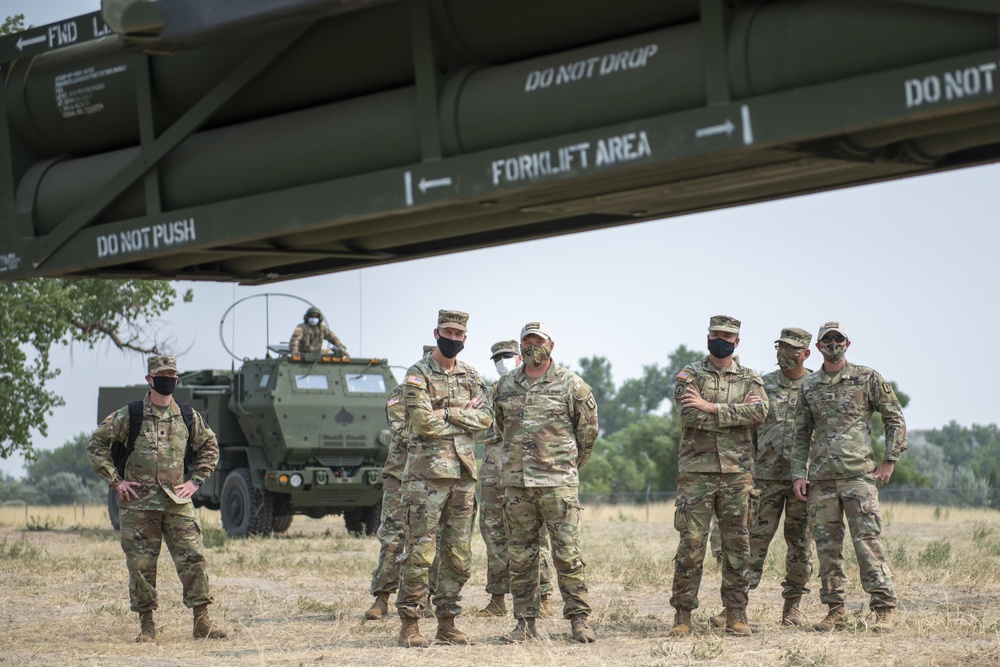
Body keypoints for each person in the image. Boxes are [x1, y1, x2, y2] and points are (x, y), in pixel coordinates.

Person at [86, 355, 227, 643]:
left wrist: (195, 480)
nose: (167, 379)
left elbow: (210, 446)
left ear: (176, 380)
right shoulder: (130, 415)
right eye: (161, 375)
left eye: (172, 375)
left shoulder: (187, 416)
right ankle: (146, 626)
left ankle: (202, 622)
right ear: (149, 379)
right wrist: (116, 481)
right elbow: (96, 444)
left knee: (194, 559)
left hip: (177, 502)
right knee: (141, 566)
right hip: (139, 505)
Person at [791, 322, 906, 633]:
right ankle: (835, 610)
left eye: (837, 339)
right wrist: (798, 474)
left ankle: (883, 609)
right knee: (827, 548)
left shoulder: (867, 378)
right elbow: (801, 433)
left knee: (867, 543)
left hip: (858, 476)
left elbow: (894, 416)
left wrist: (889, 460)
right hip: (822, 480)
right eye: (826, 340)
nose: (832, 344)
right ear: (817, 348)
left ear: (847, 343)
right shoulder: (810, 387)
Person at [494, 322, 599, 643]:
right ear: (520, 346)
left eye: (538, 341)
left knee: (566, 553)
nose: (532, 346)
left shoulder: (572, 385)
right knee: (521, 556)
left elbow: (588, 434)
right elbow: (499, 429)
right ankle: (525, 622)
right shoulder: (505, 386)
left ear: (551, 345)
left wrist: (566, 468)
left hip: (558, 485)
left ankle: (579, 620)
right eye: (527, 341)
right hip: (517, 486)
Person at [396, 310, 493, 648]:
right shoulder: (417, 374)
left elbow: (487, 420)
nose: (453, 338)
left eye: (459, 334)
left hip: (463, 478)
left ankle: (447, 623)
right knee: (419, 554)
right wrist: (466, 416)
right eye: (447, 332)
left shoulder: (472, 374)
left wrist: (450, 412)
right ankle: (410, 624)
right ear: (436, 333)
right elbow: (422, 424)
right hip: (426, 478)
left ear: (465, 339)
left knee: (458, 555)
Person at [668, 315, 768, 638]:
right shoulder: (690, 374)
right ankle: (682, 616)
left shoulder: (751, 378)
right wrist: (735, 413)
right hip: (697, 474)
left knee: (738, 545)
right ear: (707, 336)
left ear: (737, 342)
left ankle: (736, 613)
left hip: (738, 475)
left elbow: (760, 412)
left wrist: (711, 408)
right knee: (692, 544)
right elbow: (688, 414)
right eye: (716, 334)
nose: (721, 339)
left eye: (727, 336)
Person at [710, 327, 814, 628]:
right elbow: (748, 431)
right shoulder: (762, 385)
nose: (784, 353)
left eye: (792, 349)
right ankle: (734, 608)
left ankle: (792, 607)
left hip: (803, 483)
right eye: (780, 347)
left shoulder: (816, 386)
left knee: (800, 547)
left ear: (805, 353)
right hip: (763, 479)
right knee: (750, 544)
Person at [477, 340, 555, 619]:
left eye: (507, 356)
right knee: (493, 536)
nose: (502, 361)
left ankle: (544, 597)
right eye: (497, 357)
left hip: (525, 475)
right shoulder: (486, 394)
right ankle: (497, 599)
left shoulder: (532, 390)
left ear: (520, 357)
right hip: (492, 476)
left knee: (535, 537)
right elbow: (476, 430)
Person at [365, 345, 437, 620]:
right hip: (401, 476)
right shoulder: (401, 394)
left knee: (432, 541)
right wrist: (442, 423)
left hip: (436, 477)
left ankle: (425, 600)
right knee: (393, 537)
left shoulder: (453, 395)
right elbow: (403, 431)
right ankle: (382, 597)